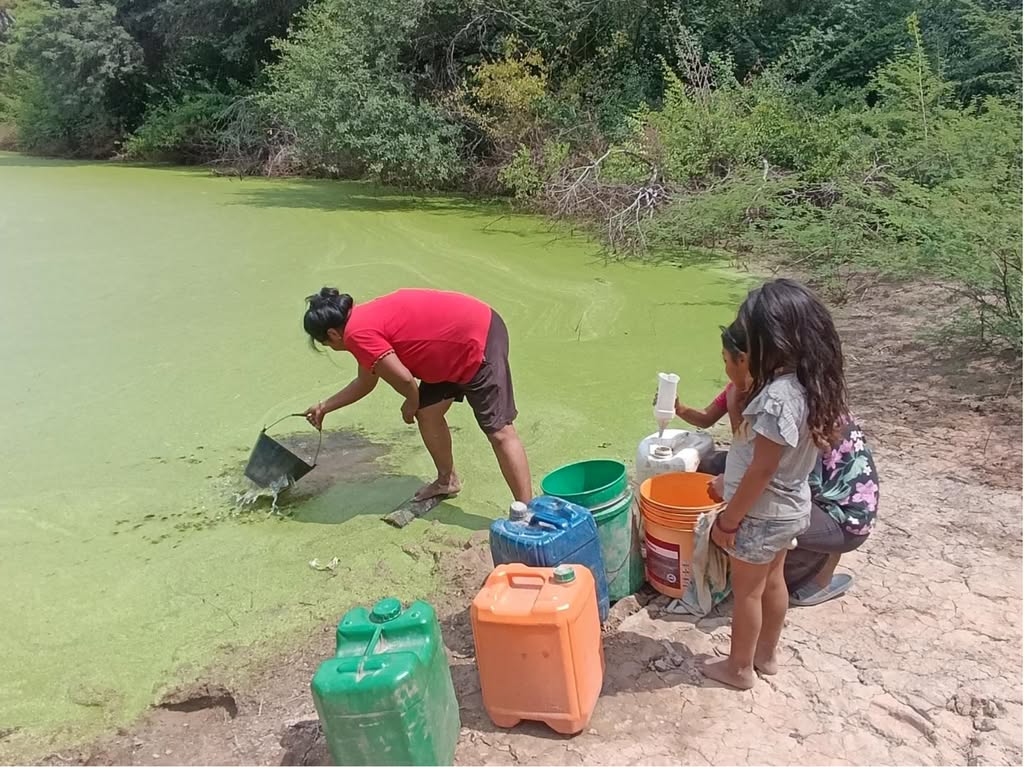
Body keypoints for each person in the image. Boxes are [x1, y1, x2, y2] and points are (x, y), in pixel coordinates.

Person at [702, 278, 848, 690]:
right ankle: (766, 657)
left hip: (762, 513)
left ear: (776, 340)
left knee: (747, 592)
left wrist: (729, 521)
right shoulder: (811, 385)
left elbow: (761, 469)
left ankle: (738, 669)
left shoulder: (777, 398)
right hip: (791, 508)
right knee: (773, 581)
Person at [697, 323, 879, 606]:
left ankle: (819, 580)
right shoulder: (802, 386)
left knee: (766, 524)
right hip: (823, 493)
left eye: (726, 360)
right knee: (716, 464)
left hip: (845, 516)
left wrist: (730, 509)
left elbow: (789, 479)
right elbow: (748, 450)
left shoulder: (787, 403)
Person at [301, 287, 532, 503]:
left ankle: (528, 514)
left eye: (327, 344)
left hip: (477, 339)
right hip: (451, 346)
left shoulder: (356, 334)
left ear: (332, 333)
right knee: (428, 413)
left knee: (500, 432)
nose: (333, 348)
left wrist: (410, 402)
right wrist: (324, 407)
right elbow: (365, 382)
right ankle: (447, 481)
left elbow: (404, 379)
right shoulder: (362, 321)